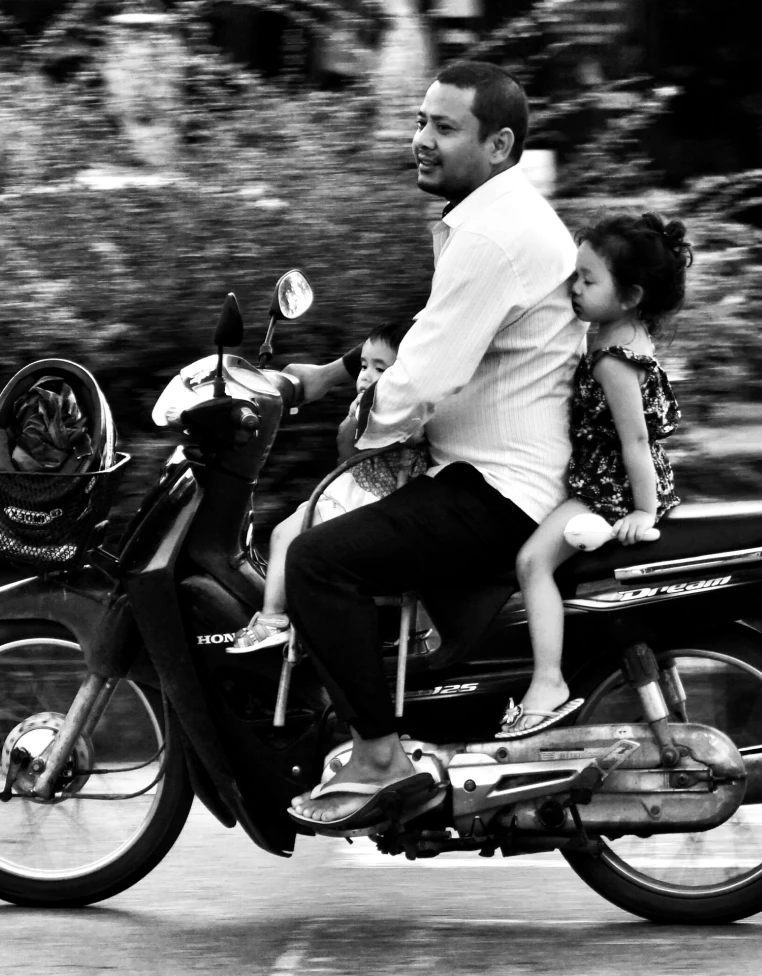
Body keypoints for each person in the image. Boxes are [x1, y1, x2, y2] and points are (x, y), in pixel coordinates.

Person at [276, 61, 580, 833]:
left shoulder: (490, 232)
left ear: (501, 143)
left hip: (499, 488)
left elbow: (427, 372)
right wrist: (328, 374)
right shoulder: (494, 216)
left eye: (444, 128)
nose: (420, 140)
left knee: (316, 561)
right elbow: (434, 323)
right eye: (420, 121)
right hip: (497, 471)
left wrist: (360, 433)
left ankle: (379, 758)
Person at [500, 213, 694, 739]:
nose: (575, 289)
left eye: (588, 280)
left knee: (531, 562)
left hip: (608, 490)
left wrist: (642, 510)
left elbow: (635, 441)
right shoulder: (619, 330)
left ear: (630, 295)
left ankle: (547, 682)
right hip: (604, 479)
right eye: (575, 275)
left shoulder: (611, 356)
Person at [228, 317, 424, 655]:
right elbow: (346, 454)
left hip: (372, 503)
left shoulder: (407, 412)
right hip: (351, 490)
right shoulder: (365, 407)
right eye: (363, 365)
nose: (365, 375)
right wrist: (351, 423)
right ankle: (292, 618)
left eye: (380, 368)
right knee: (285, 533)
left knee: (285, 537)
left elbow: (393, 438)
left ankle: (273, 618)